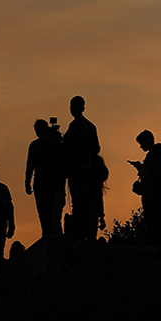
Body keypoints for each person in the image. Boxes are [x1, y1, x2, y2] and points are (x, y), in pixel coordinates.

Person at [129, 130, 161, 254]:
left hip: (154, 199)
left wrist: (141, 172)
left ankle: (155, 247)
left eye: (141, 143)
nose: (141, 146)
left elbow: (150, 178)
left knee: (154, 224)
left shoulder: (152, 157)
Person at [62, 96, 100, 238]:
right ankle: (86, 231)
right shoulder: (91, 126)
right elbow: (97, 148)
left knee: (78, 202)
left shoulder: (75, 126)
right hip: (87, 169)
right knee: (86, 201)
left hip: (76, 169)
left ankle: (79, 232)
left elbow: (67, 147)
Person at [26, 118, 65, 237]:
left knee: (44, 213)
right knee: (55, 215)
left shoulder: (35, 145)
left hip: (41, 182)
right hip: (55, 182)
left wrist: (27, 182)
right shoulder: (56, 143)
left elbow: (30, 166)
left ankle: (47, 236)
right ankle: (54, 237)